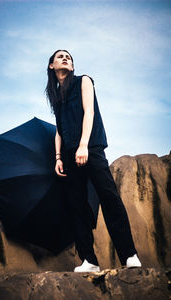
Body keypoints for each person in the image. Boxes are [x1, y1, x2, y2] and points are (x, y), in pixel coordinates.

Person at [45, 49, 142, 272]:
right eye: (60, 56)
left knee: (109, 197)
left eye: (68, 57)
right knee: (76, 206)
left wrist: (83, 145)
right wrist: (58, 158)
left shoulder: (84, 81)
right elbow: (59, 131)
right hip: (69, 154)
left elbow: (89, 112)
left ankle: (129, 255)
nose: (66, 58)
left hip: (91, 147)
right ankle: (89, 260)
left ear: (73, 66)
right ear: (51, 66)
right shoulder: (56, 96)